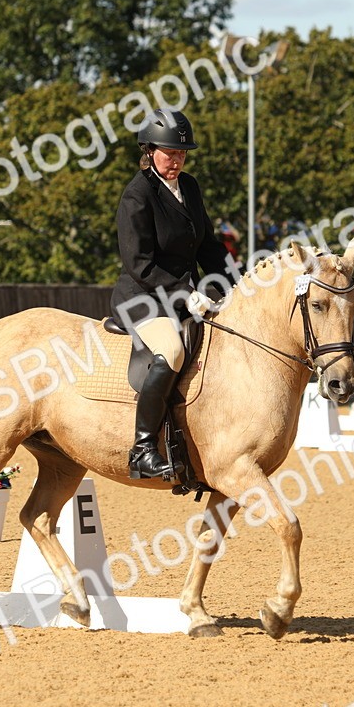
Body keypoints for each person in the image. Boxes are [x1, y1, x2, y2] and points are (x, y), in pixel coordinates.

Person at [111, 109, 236, 480]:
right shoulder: (137, 195)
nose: (177, 160)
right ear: (149, 152)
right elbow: (139, 262)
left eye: (182, 153)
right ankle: (143, 449)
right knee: (173, 350)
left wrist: (237, 283)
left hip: (183, 294)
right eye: (170, 153)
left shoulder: (190, 188)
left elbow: (208, 246)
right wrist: (186, 293)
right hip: (143, 296)